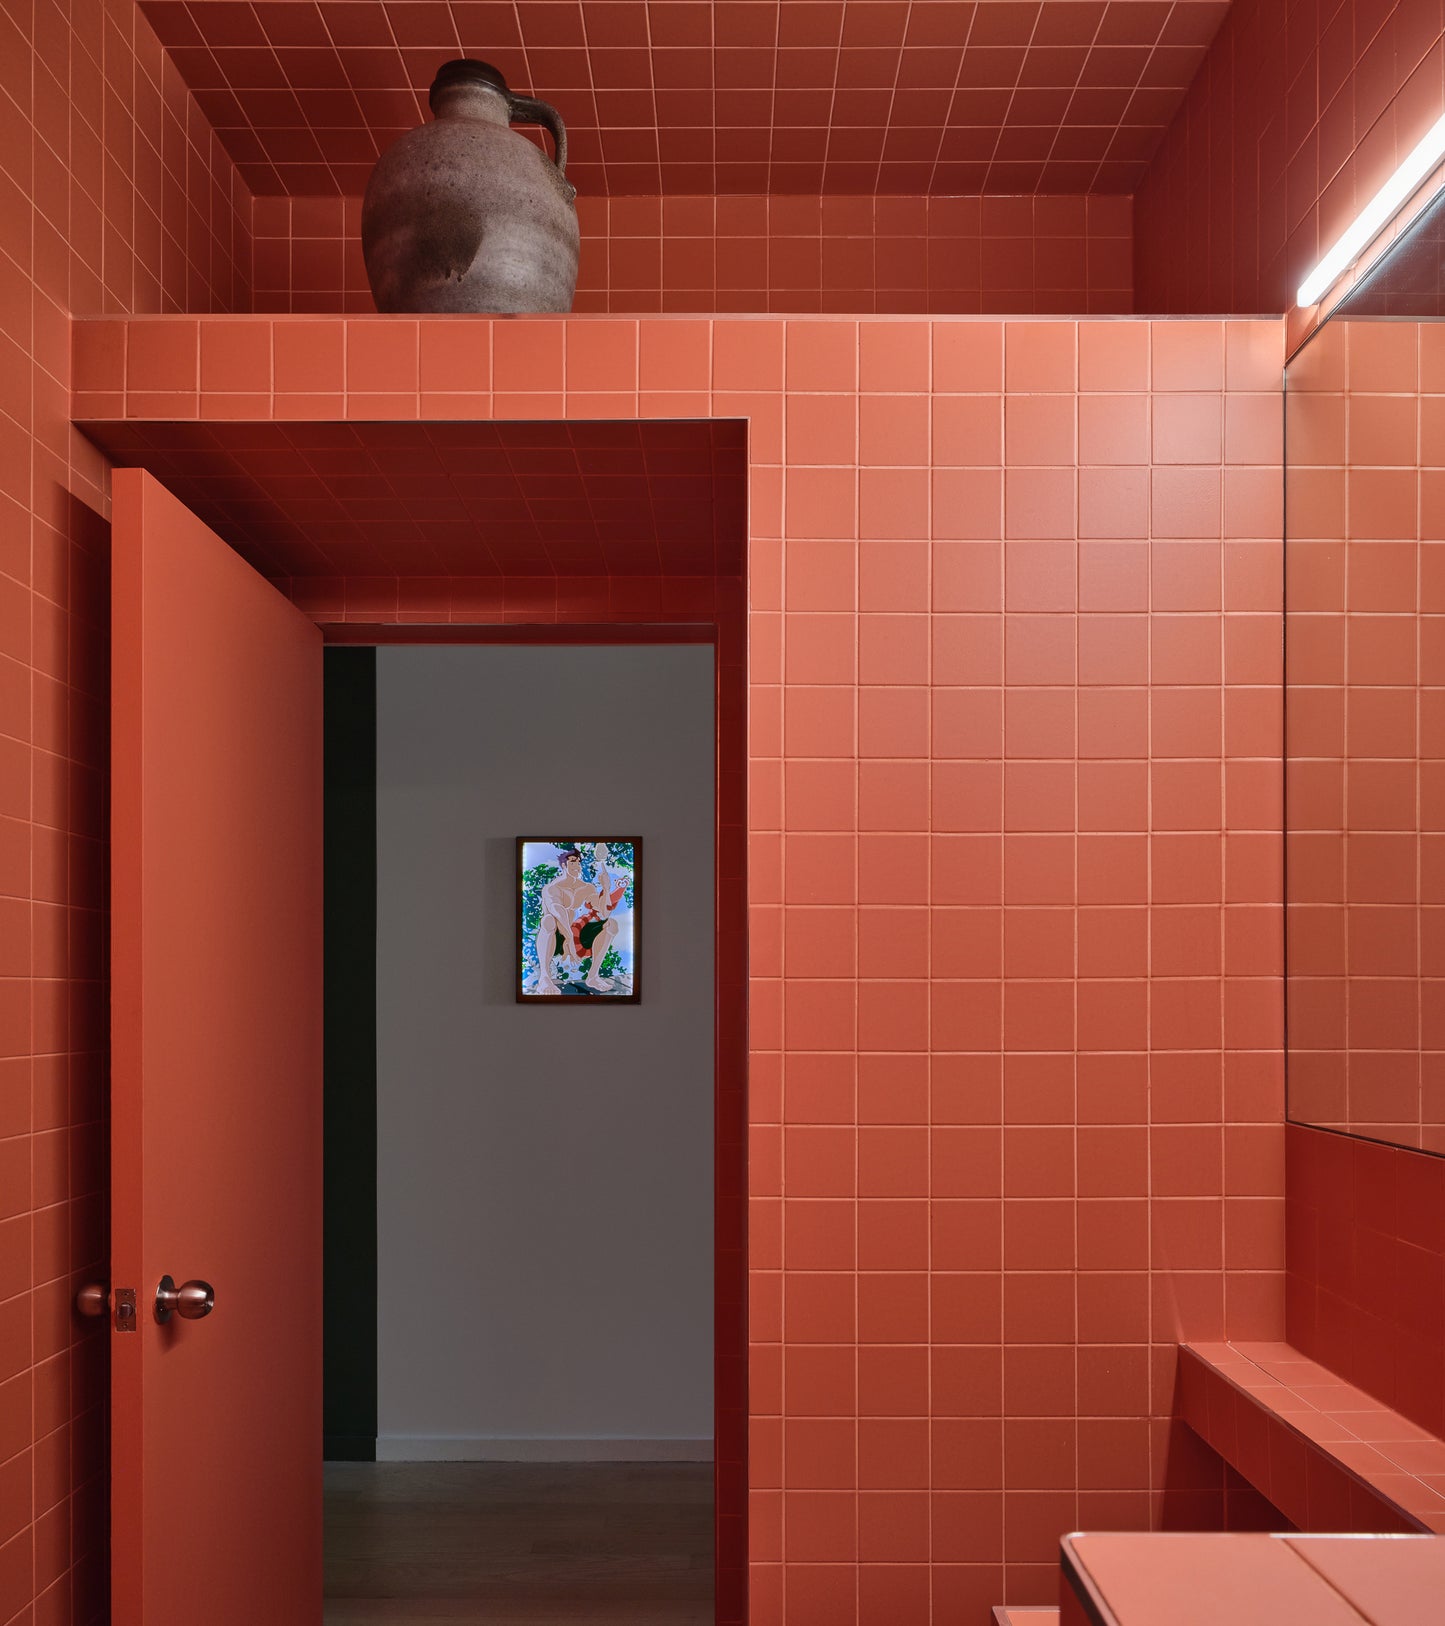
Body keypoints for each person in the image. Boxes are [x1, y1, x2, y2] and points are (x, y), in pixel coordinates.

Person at [532, 846, 626, 994]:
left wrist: (606, 888)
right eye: (573, 862)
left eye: (579, 862)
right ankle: (544, 978)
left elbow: (603, 912)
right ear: (564, 865)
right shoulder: (552, 888)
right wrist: (568, 938)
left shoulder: (586, 888)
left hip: (574, 936)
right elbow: (558, 912)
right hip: (556, 935)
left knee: (611, 924)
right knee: (548, 920)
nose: (577, 866)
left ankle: (593, 976)